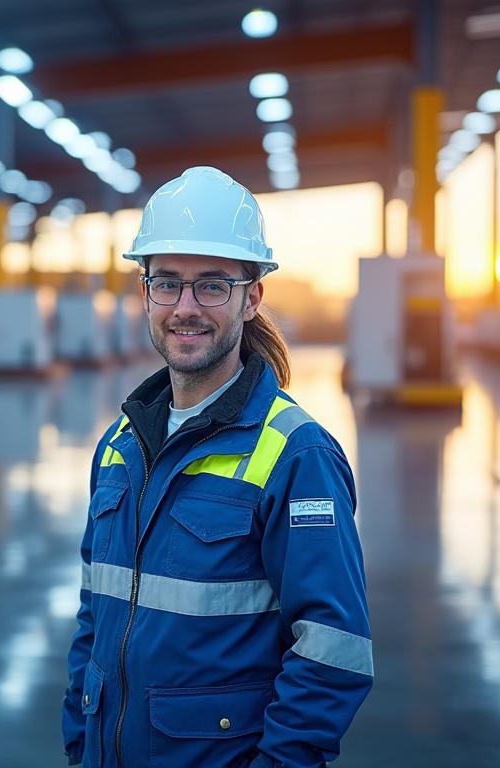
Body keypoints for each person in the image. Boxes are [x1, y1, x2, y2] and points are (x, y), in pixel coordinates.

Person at [61, 166, 372, 768]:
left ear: (251, 298)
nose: (185, 308)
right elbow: (93, 613)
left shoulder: (297, 455)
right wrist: (80, 741)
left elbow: (333, 650)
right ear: (145, 292)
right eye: (167, 283)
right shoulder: (119, 445)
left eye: (211, 285)